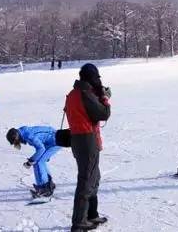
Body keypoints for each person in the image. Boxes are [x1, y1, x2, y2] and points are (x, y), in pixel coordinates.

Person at [65, 63, 111, 232]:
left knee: (93, 177)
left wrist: (98, 95)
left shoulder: (73, 93)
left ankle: (91, 214)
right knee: (86, 180)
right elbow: (103, 113)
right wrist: (104, 98)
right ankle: (79, 221)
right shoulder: (85, 93)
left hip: (79, 139)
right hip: (86, 139)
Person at [6, 126, 60, 197]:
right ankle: (48, 184)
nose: (17, 143)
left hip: (55, 141)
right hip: (50, 140)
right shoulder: (23, 132)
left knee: (39, 162)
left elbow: (41, 149)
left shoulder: (28, 136)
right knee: (39, 161)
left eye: (15, 142)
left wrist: (30, 161)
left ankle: (45, 189)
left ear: (16, 137)